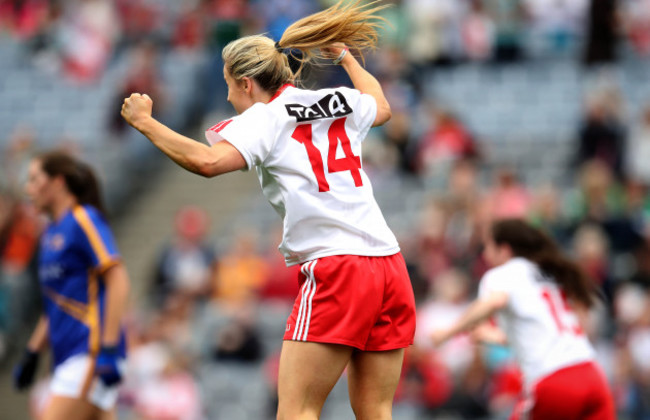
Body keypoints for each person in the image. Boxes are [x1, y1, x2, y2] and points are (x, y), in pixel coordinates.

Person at [120, 1, 416, 419]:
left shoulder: (264, 117)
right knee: (375, 410)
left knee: (296, 411)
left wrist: (147, 123)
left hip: (337, 267)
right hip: (388, 264)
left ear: (245, 83)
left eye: (228, 85)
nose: (226, 95)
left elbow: (207, 162)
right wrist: (346, 57)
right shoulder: (334, 99)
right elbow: (381, 106)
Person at [431, 219, 615, 420]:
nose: (484, 255)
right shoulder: (548, 272)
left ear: (504, 249)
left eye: (488, 247)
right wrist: (490, 336)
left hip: (555, 381)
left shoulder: (504, 274)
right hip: (592, 376)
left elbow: (494, 302)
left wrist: (448, 332)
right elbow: (540, 335)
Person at [13, 151, 130, 420]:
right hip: (69, 357)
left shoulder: (82, 219)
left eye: (33, 179)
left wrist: (108, 348)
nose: (27, 189)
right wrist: (32, 352)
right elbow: (58, 301)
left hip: (90, 353)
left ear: (57, 182)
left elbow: (118, 279)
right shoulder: (50, 234)